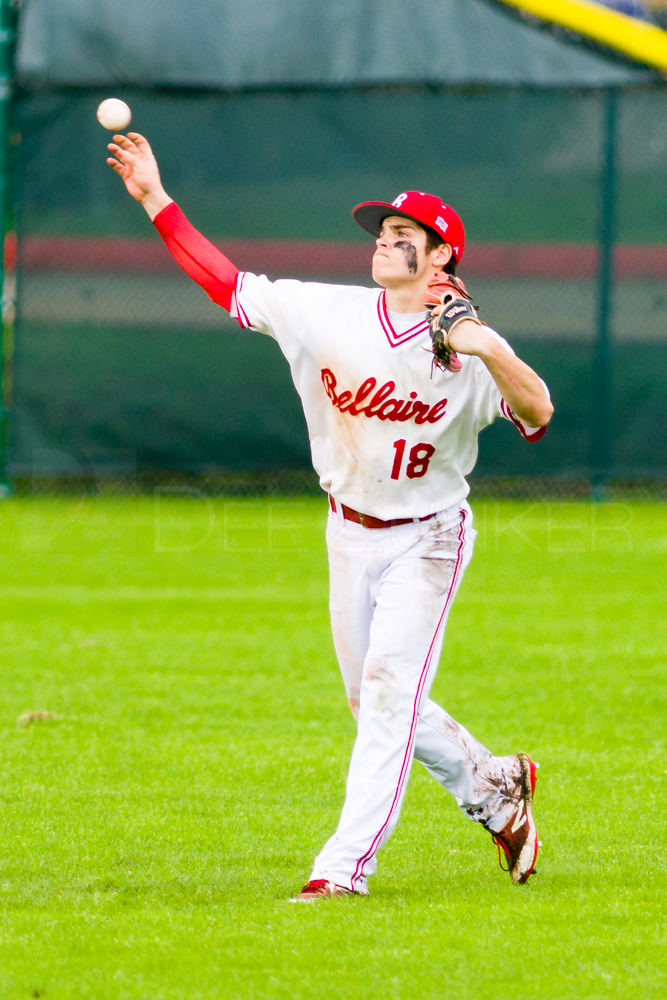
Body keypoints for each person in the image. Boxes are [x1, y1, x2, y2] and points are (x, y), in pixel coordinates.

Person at [107, 133, 554, 901]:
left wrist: (481, 344)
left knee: (385, 694)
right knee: (373, 698)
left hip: (429, 538)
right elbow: (225, 284)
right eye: (382, 233)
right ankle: (492, 783)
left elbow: (538, 411)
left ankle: (342, 869)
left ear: (442, 258)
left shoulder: (471, 349)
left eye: (404, 236)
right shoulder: (324, 312)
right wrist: (154, 197)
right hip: (348, 530)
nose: (385, 241)